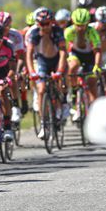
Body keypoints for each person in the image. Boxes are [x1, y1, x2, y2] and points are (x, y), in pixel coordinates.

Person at [26, 8, 67, 140]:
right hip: (42, 60)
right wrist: (32, 72)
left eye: (47, 23)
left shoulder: (58, 31)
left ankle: (61, 107)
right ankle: (44, 124)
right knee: (41, 89)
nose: (45, 27)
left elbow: (63, 52)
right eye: (42, 24)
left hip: (56, 59)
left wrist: (60, 70)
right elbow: (29, 54)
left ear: (52, 22)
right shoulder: (34, 33)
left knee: (60, 82)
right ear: (37, 24)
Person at [64, 8, 103, 117]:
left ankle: (94, 112)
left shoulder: (92, 32)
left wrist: (97, 66)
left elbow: (98, 51)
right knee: (73, 66)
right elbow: (64, 51)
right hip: (76, 54)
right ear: (73, 22)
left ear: (88, 23)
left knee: (92, 83)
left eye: (83, 25)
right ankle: (74, 91)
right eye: (78, 25)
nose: (80, 28)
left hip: (90, 56)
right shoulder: (68, 31)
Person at [0, 11, 28, 117]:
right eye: (0, 28)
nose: (3, 31)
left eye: (5, 28)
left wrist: (17, 72)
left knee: (18, 78)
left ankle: (19, 103)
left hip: (15, 60)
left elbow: (21, 57)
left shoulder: (16, 35)